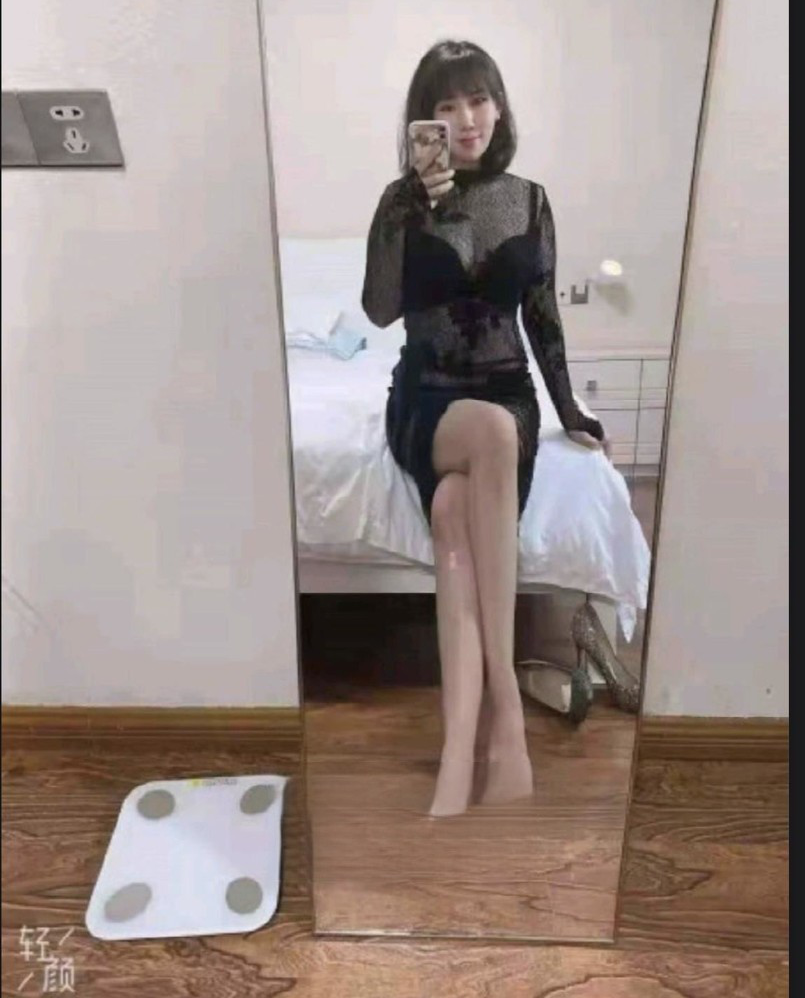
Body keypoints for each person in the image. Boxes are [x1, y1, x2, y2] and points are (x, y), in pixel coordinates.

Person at [361, 40, 610, 817]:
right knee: (491, 438)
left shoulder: (529, 201)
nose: (464, 119)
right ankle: (507, 713)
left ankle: (455, 747)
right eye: (445, 105)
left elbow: (541, 317)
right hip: (428, 402)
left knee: (451, 508)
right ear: (423, 121)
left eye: (476, 99)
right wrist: (403, 212)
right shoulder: (400, 201)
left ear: (498, 107)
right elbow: (378, 309)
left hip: (508, 392)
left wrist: (568, 411)